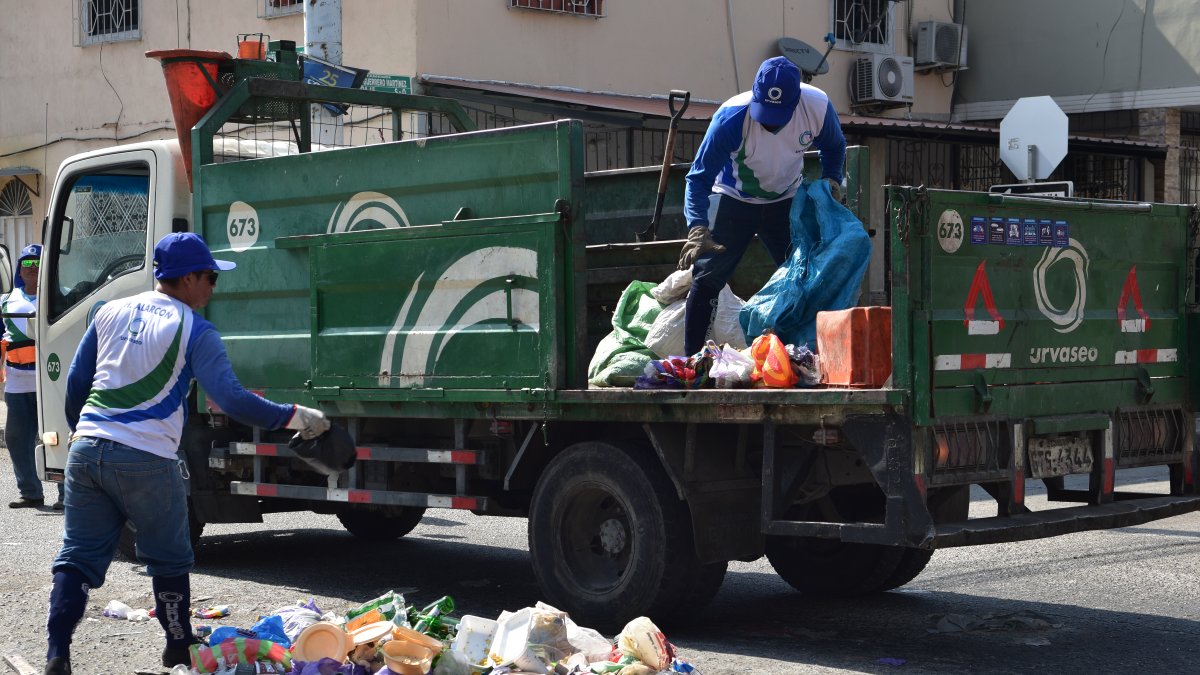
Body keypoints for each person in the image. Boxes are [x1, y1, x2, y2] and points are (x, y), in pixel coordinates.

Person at [44, 233, 331, 675]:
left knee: (77, 558)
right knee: (169, 557)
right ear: (190, 278)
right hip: (146, 458)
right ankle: (178, 646)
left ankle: (57, 655)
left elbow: (77, 388)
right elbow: (233, 400)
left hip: (87, 449)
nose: (214, 288)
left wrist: (85, 433)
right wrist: (296, 417)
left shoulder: (108, 312)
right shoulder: (196, 330)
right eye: (211, 277)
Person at [678, 56, 846, 355]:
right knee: (707, 277)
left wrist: (832, 181)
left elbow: (834, 147)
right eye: (764, 112)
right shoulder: (730, 117)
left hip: (785, 200)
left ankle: (804, 355)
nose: (768, 122)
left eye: (777, 115)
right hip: (733, 198)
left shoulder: (817, 106)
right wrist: (697, 227)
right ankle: (693, 361)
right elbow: (698, 177)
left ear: (796, 103)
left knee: (803, 276)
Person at [4, 244, 63, 509]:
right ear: (19, 269)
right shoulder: (6, 300)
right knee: (17, 437)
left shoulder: (59, 297)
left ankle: (66, 495)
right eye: (27, 264)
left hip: (50, 378)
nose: (33, 269)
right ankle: (30, 492)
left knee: (58, 435)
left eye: (38, 264)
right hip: (17, 379)